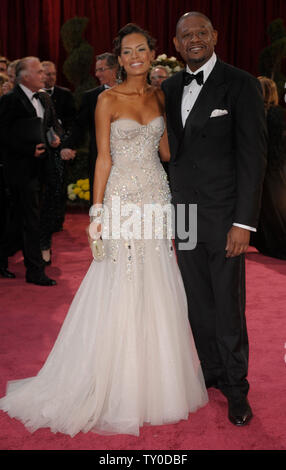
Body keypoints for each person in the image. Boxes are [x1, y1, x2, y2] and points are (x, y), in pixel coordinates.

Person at [0, 24, 208, 437]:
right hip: (121, 201)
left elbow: (166, 152)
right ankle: (115, 379)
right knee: (121, 278)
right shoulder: (107, 100)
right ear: (119, 59)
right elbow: (103, 160)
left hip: (156, 198)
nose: (134, 57)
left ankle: (154, 378)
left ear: (153, 54)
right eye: (126, 52)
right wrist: (97, 212)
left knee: (157, 279)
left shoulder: (160, 96)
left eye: (141, 50)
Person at [161, 12, 267, 426]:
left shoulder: (241, 84)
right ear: (175, 43)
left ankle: (237, 389)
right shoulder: (169, 87)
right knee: (197, 303)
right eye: (187, 35)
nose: (195, 40)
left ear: (215, 36)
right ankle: (210, 372)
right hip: (184, 214)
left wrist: (244, 222)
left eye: (202, 32)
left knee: (228, 306)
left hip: (225, 218)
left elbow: (253, 159)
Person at [0, 56, 60, 285]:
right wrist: (27, 149)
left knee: (20, 221)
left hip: (40, 167)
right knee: (30, 220)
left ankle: (2, 257)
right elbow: (3, 134)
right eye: (38, 72)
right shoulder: (10, 100)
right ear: (25, 77)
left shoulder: (43, 99)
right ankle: (35, 271)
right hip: (20, 170)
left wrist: (53, 138)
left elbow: (45, 127)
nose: (44, 75)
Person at [61, 53, 118, 201]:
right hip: (99, 157)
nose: (97, 74)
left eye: (101, 69)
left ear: (115, 69)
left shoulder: (133, 93)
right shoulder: (91, 97)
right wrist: (68, 145)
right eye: (96, 70)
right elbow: (79, 125)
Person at [39, 61, 76, 264]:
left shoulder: (64, 94)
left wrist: (67, 143)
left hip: (58, 149)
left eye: (53, 74)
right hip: (38, 152)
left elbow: (71, 121)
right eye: (46, 74)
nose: (49, 77)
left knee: (58, 187)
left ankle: (56, 221)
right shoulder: (34, 96)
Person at [251, 77, 286, 259]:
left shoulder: (269, 114)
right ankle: (267, 242)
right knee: (268, 208)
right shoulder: (273, 113)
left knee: (272, 208)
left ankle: (274, 244)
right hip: (272, 168)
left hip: (269, 168)